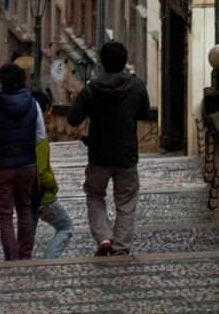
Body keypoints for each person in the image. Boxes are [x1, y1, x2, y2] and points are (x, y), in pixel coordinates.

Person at [66, 41, 150, 257]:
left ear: (101, 63)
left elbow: (73, 118)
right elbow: (144, 114)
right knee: (126, 202)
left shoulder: (91, 89)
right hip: (126, 155)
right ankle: (121, 247)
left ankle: (104, 237)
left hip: (99, 155)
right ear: (124, 63)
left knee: (94, 195)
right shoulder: (137, 86)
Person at [0, 62, 45, 261]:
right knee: (25, 209)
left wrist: (3, 150)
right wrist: (25, 147)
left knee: (5, 213)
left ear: (0, 81)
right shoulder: (33, 104)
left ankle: (11, 255)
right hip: (27, 165)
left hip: (2, 166)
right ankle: (25, 253)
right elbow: (40, 136)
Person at [31, 90, 73, 258]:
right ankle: (49, 260)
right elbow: (41, 172)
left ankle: (22, 260)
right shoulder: (40, 136)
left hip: (26, 195)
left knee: (28, 235)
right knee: (66, 227)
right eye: (49, 109)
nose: (51, 113)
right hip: (43, 197)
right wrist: (53, 186)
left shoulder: (24, 131)